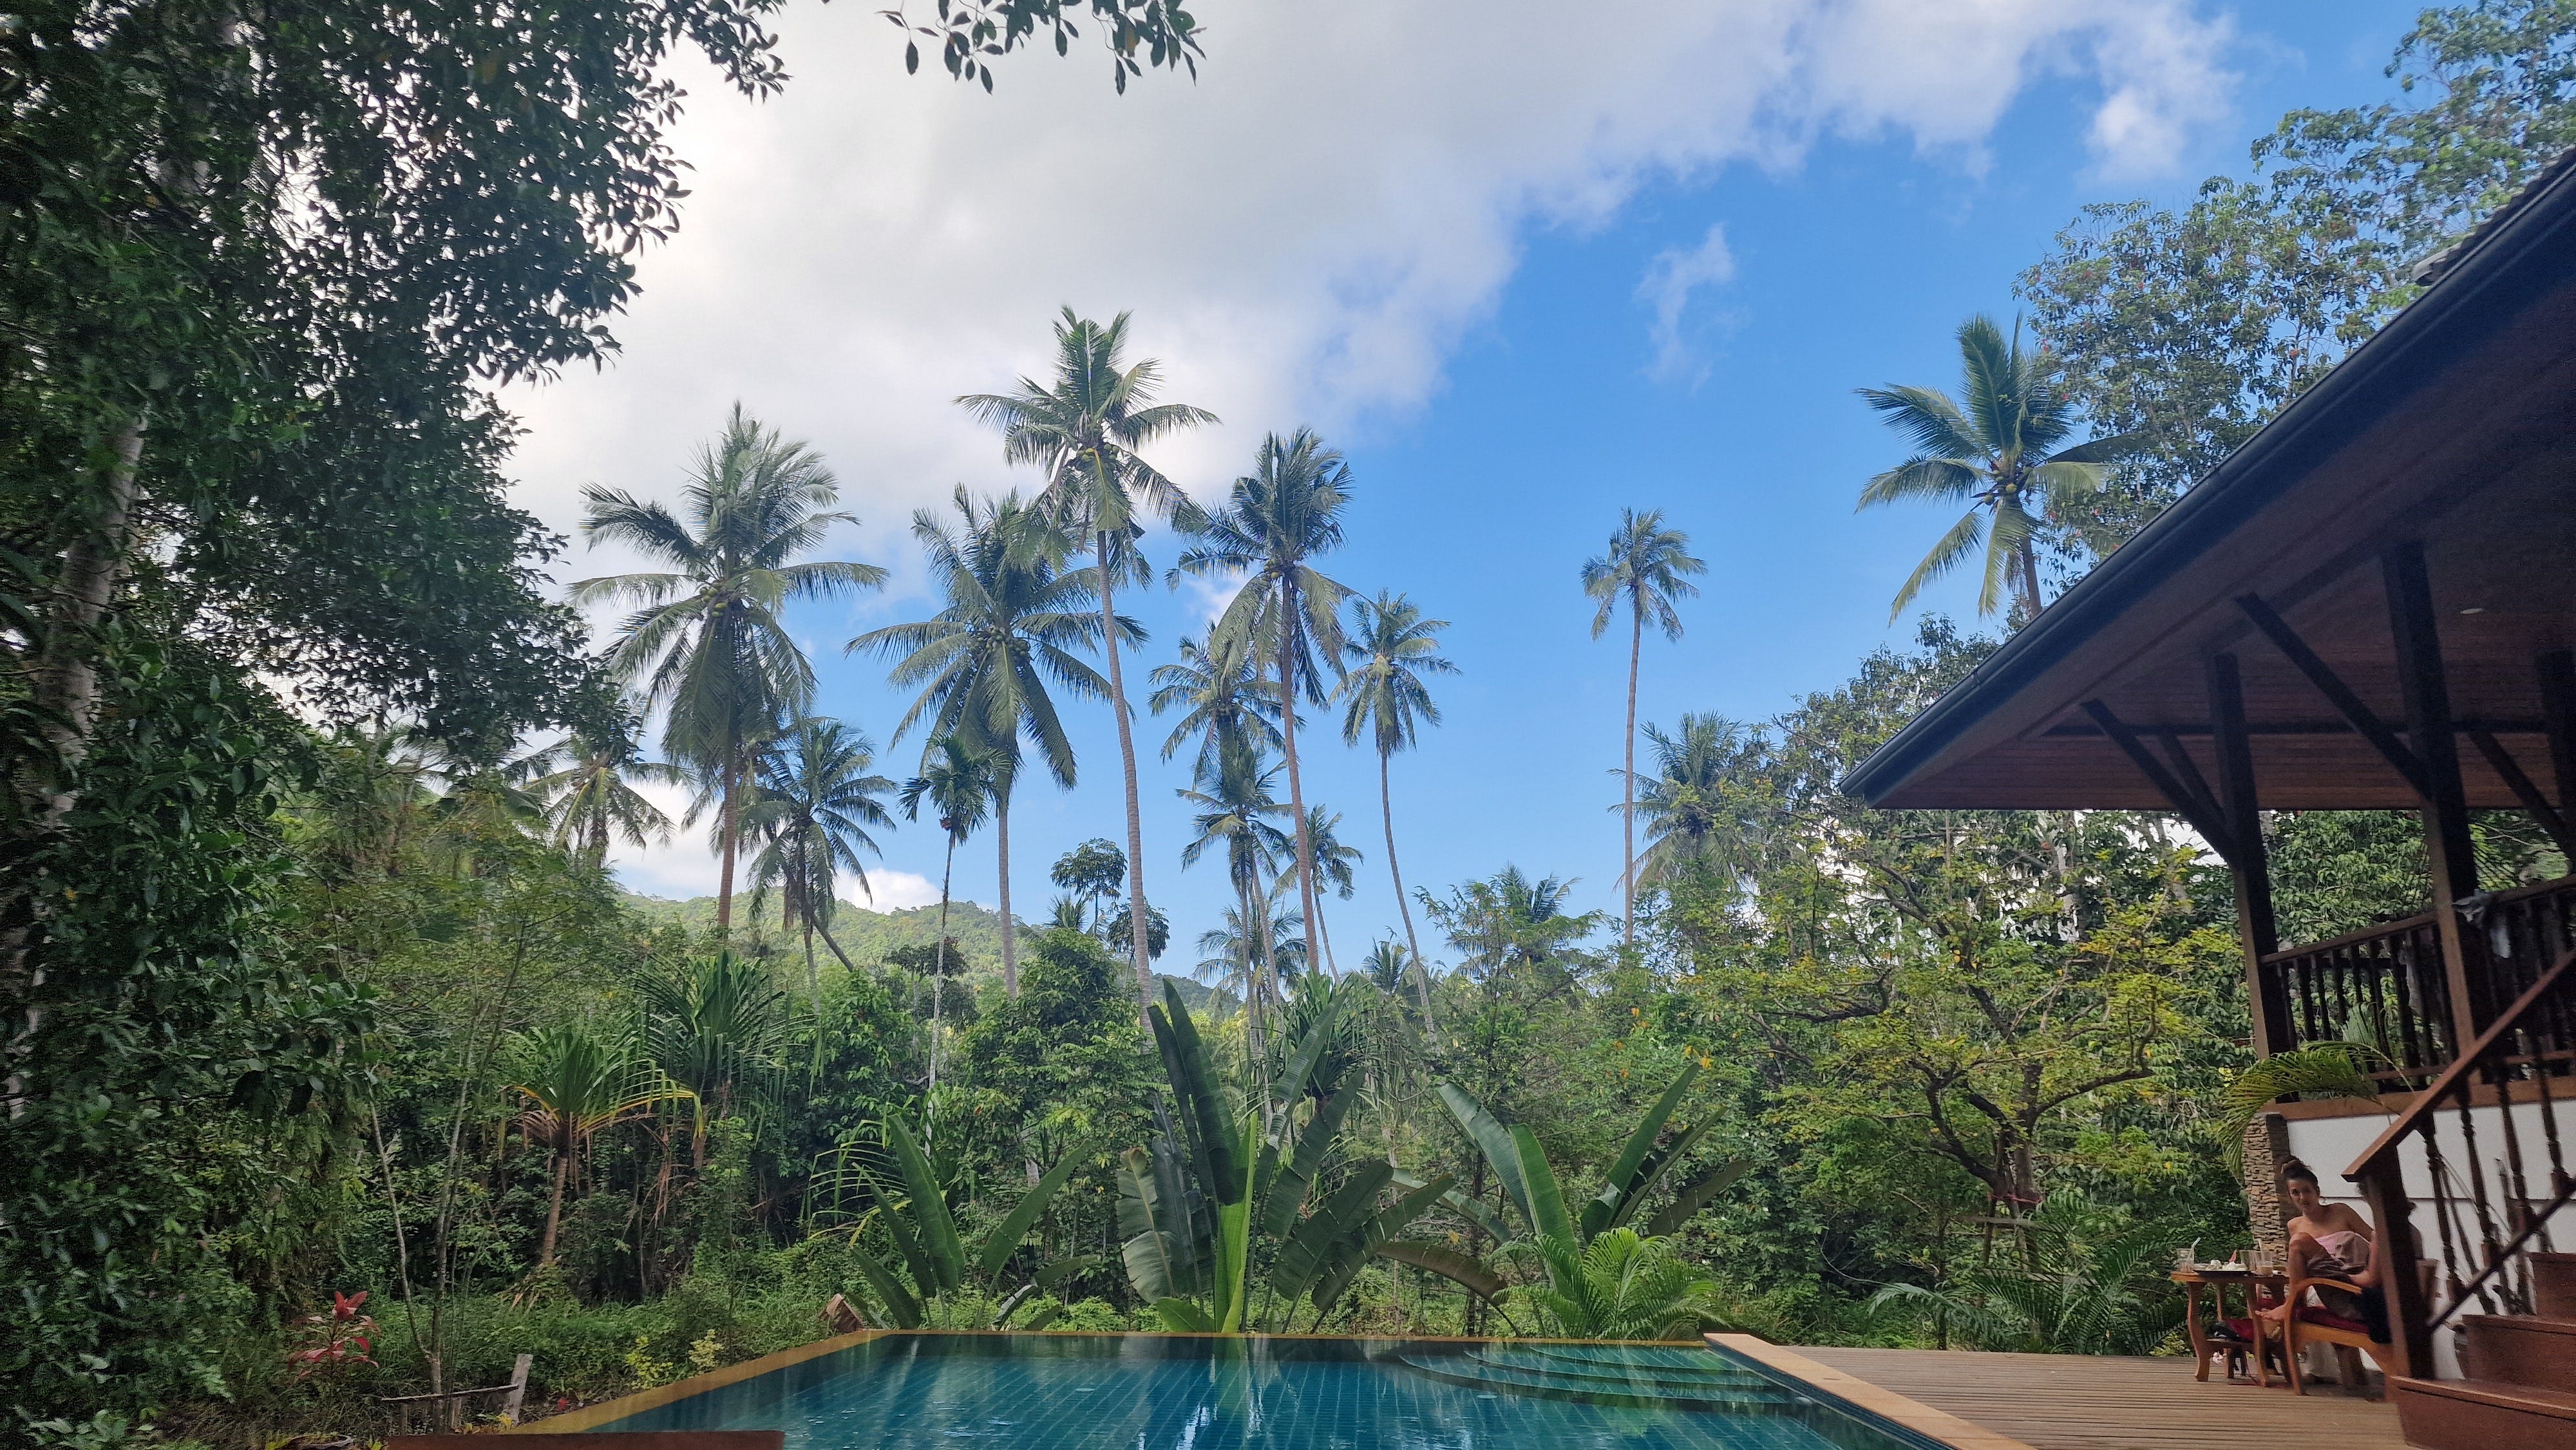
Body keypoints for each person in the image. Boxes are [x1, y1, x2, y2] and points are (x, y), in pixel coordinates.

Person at [2262, 1158, 2387, 1343]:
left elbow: (2377, 1241)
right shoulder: (2294, 1225)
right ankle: (2291, 1309)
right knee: (2298, 1243)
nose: (2302, 1198)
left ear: (2317, 1191)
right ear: (2289, 1197)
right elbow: (2300, 1268)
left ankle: (2290, 1305)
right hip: (2323, 1286)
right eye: (2295, 1193)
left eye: (2307, 1191)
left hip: (2350, 1284)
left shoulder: (2341, 1211)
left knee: (2299, 1241)